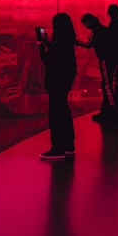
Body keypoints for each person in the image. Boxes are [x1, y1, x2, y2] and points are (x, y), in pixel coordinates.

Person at [39, 13, 77, 160]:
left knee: (56, 115)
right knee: (64, 112)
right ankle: (68, 145)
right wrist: (48, 44)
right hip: (64, 82)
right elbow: (59, 55)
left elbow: (48, 59)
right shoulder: (67, 40)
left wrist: (41, 47)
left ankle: (57, 148)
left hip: (56, 83)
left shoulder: (60, 42)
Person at [76, 13, 118, 121]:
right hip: (111, 59)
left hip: (105, 59)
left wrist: (75, 42)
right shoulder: (104, 29)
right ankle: (110, 108)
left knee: (107, 85)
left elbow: (88, 45)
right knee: (108, 83)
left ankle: (110, 109)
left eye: (85, 24)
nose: (85, 26)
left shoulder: (96, 33)